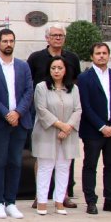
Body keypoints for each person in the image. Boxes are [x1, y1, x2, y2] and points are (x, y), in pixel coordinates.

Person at [26, 25, 82, 208]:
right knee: (44, 160)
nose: (57, 38)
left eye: (60, 35)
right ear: (47, 38)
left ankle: (63, 195)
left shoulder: (72, 58)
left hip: (67, 117)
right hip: (44, 117)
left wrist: (68, 126)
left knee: (64, 161)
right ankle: (39, 196)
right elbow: (29, 84)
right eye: (54, 35)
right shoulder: (36, 58)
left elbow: (77, 97)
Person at [0, 28, 34, 220]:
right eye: (4, 41)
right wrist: (7, 113)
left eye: (11, 41)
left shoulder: (23, 66)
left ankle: (11, 202)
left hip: (20, 121)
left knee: (16, 162)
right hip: (0, 122)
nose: (8, 44)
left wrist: (18, 112)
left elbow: (29, 91)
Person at [77, 42, 111, 215]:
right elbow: (86, 106)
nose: (101, 56)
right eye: (98, 53)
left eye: (104, 53)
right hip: (93, 131)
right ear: (92, 56)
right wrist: (101, 126)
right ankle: (91, 200)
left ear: (109, 55)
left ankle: (110, 199)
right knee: (90, 165)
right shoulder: (84, 78)